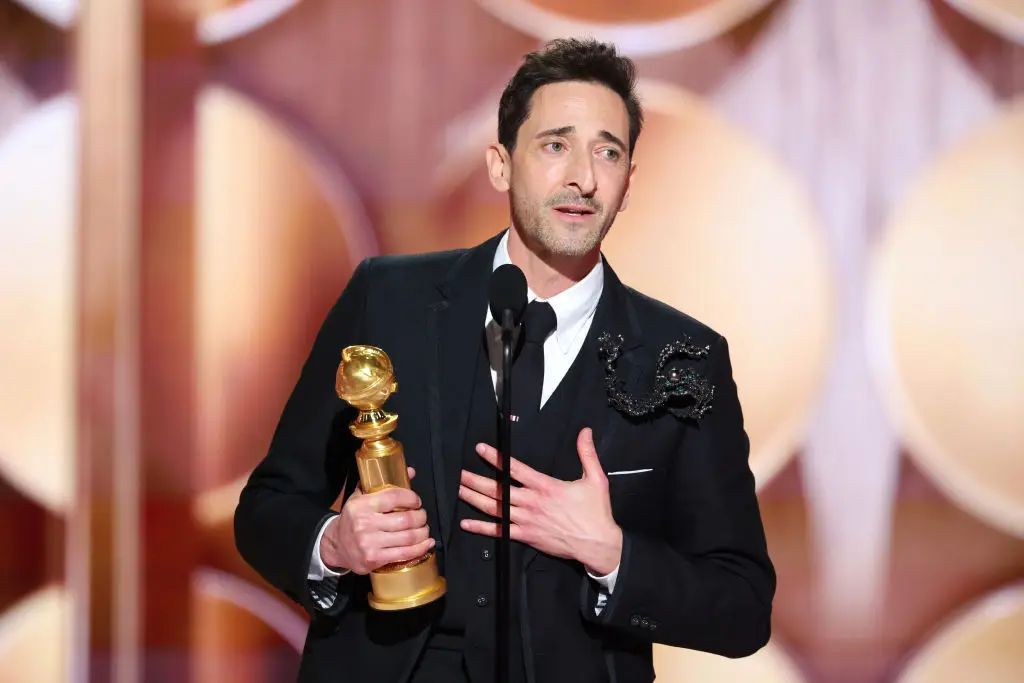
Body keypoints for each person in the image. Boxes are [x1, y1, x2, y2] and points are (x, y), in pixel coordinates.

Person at [234, 37, 775, 683]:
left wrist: (611, 554)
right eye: (555, 145)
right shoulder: (388, 298)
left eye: (608, 151)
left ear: (629, 183)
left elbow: (741, 607)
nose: (582, 175)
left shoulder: (683, 356)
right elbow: (269, 505)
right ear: (500, 164)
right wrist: (335, 543)